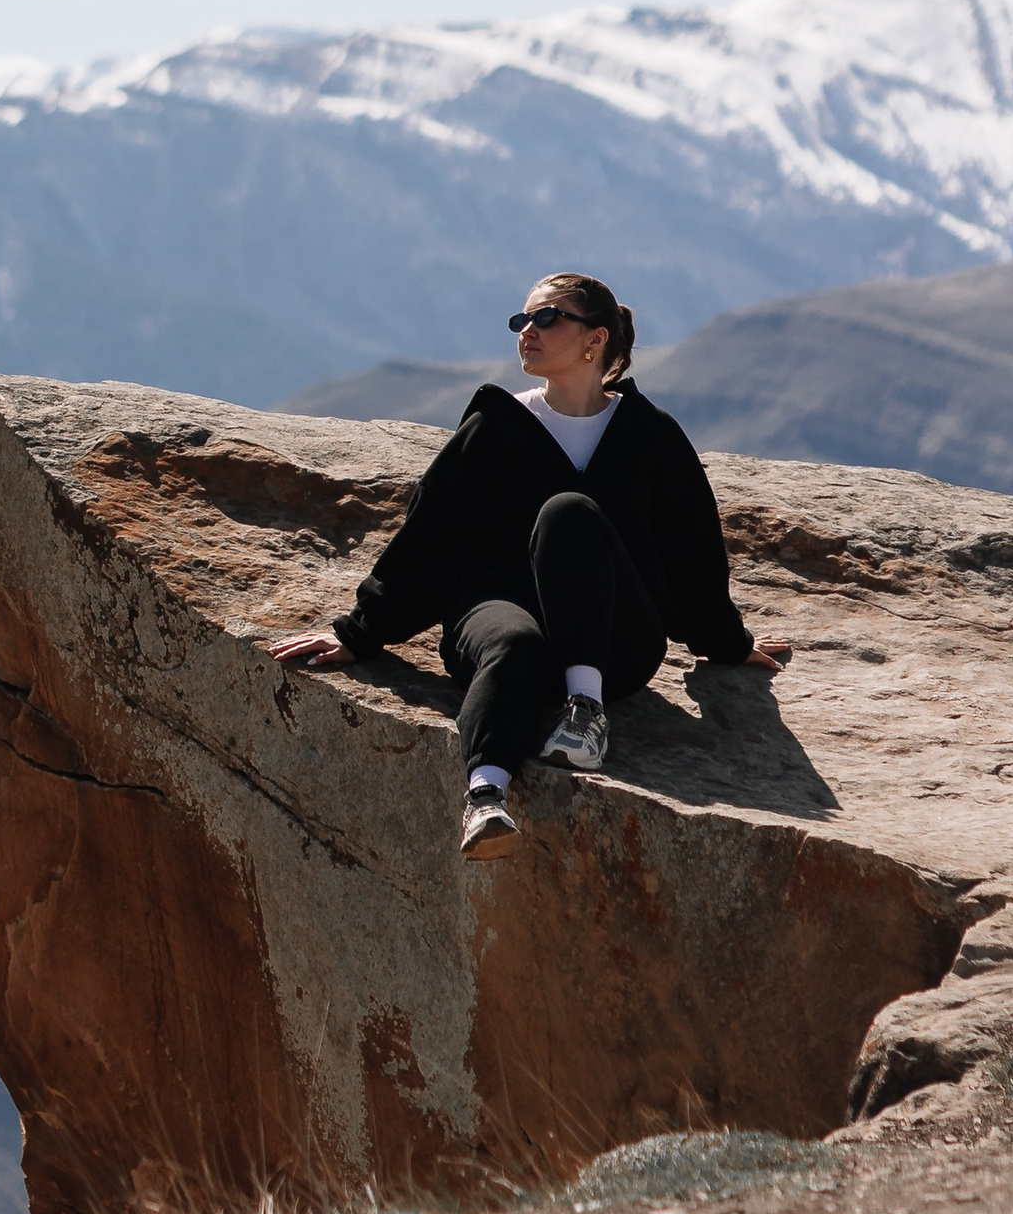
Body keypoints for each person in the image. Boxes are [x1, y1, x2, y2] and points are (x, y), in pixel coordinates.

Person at [269, 273, 791, 855]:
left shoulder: (651, 436)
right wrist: (359, 632)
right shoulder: (497, 426)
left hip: (615, 636)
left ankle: (585, 713)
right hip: (500, 606)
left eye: (547, 319)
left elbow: (691, 554)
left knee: (569, 513)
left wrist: (727, 641)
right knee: (515, 648)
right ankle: (487, 798)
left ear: (596, 339)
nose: (527, 333)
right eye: (521, 321)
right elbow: (429, 539)